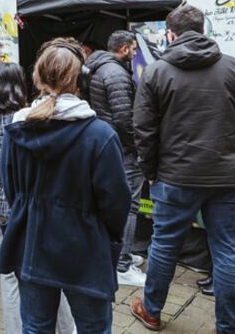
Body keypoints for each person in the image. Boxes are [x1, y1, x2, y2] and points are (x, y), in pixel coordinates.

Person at [131, 4, 235, 334]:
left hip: (174, 178)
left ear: (170, 34)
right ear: (203, 31)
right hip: (228, 177)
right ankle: (226, 326)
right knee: (228, 253)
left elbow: (143, 130)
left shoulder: (156, 72)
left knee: (163, 246)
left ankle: (151, 312)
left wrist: (149, 171)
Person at [0, 38, 131, 333]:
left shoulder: (17, 130)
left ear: (38, 78)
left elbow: (12, 190)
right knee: (93, 328)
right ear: (82, 79)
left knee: (35, 327)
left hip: (32, 241)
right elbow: (116, 204)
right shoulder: (100, 135)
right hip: (85, 246)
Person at [0, 62, 76, 333]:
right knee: (48, 272)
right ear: (20, 86)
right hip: (29, 205)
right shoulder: (32, 119)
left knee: (9, 276)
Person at [86, 30, 147, 287]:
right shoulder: (116, 74)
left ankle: (117, 257)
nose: (135, 54)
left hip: (107, 144)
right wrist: (138, 147)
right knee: (130, 205)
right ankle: (121, 264)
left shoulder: (97, 67)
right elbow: (124, 118)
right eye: (133, 49)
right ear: (124, 49)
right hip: (122, 148)